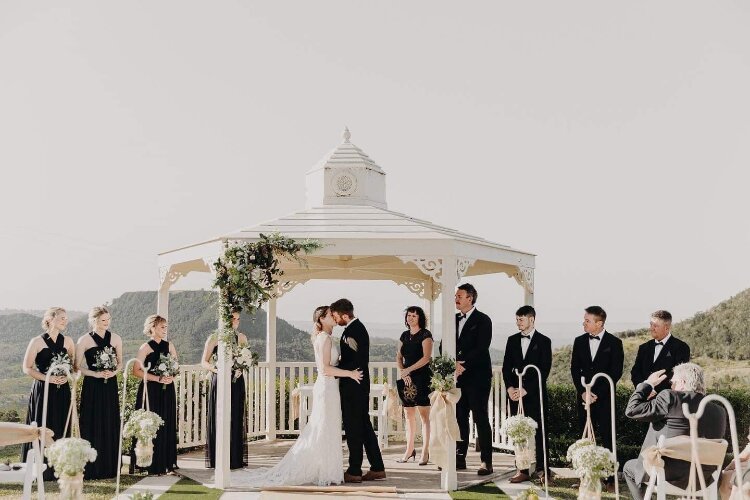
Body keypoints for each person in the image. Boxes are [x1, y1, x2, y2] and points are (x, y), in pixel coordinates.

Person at [234, 305, 363, 486]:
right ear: (321, 320)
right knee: (324, 428)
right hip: (327, 388)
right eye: (329, 315)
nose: (334, 317)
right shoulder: (325, 339)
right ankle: (326, 472)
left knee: (328, 428)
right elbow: (325, 369)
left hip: (330, 388)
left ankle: (327, 470)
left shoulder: (325, 337)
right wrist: (350, 374)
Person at [623, 364, 727, 500]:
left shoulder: (671, 397)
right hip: (704, 479)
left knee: (629, 467)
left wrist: (647, 384)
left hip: (666, 474)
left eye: (673, 383)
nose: (671, 386)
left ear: (682, 383)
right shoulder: (720, 411)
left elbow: (632, 410)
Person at [331, 298, 386, 483]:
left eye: (336, 316)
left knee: (354, 428)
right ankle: (377, 467)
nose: (335, 319)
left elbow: (357, 361)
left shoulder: (355, 331)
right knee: (364, 426)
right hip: (357, 386)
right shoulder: (353, 329)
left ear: (345, 315)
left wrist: (336, 370)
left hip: (354, 386)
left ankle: (354, 470)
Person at [570, 305, 624, 491]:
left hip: (604, 399)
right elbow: (574, 369)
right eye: (584, 320)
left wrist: (597, 394)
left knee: (607, 437)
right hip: (583, 397)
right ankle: (585, 475)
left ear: (599, 323)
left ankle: (610, 479)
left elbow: (615, 372)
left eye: (587, 320)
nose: (583, 323)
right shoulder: (578, 341)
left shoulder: (615, 343)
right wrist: (583, 392)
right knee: (584, 437)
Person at [20, 307, 75, 481]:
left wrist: (68, 377)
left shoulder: (68, 341)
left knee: (60, 424)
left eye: (66, 318)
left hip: (62, 391)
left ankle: (60, 469)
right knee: (43, 426)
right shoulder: (36, 341)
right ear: (50, 319)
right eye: (61, 318)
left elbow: (73, 366)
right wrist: (48, 379)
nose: (65, 321)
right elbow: (27, 368)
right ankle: (40, 469)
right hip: (43, 390)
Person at [502, 305, 552, 483]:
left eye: (521, 320)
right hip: (515, 395)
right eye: (517, 320)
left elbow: (544, 370)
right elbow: (506, 367)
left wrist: (526, 389)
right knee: (519, 432)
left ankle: (543, 470)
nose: (518, 323)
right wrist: (510, 389)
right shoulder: (512, 340)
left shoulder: (544, 341)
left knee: (540, 432)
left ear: (532, 319)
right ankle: (522, 469)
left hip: (535, 395)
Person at [77, 306, 123, 479]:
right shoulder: (84, 340)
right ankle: (91, 467)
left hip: (110, 385)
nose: (107, 322)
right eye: (104, 320)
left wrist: (113, 372)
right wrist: (95, 373)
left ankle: (110, 466)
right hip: (92, 386)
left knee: (110, 421)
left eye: (108, 319)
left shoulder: (116, 338)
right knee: (91, 421)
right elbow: (77, 366)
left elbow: (120, 363)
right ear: (94, 320)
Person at [453, 283, 494, 475]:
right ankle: (459, 458)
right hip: (458, 378)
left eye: (459, 295)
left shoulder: (484, 320)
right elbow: (444, 343)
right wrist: (452, 364)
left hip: (478, 377)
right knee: (459, 417)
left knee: (480, 418)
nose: (456, 298)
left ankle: (486, 461)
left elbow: (481, 347)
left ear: (470, 298)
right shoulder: (452, 319)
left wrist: (463, 364)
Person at [132, 314, 178, 475]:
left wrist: (171, 375)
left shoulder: (169, 345)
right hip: (150, 390)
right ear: (152, 328)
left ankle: (166, 462)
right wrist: (157, 378)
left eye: (166, 327)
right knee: (150, 425)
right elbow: (135, 371)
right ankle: (149, 463)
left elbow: (176, 365)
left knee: (167, 423)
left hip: (167, 390)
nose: (165, 330)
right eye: (162, 327)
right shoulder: (145, 347)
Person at [202, 310, 249, 469]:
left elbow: (245, 358)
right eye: (232, 318)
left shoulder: (242, 338)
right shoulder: (214, 338)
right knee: (220, 416)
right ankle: (218, 458)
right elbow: (204, 362)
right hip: (220, 380)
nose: (235, 322)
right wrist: (217, 370)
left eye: (238, 319)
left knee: (236, 416)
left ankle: (234, 458)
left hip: (237, 381)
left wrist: (242, 367)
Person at [395, 306, 433, 466]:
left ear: (420, 318)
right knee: (408, 416)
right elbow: (398, 356)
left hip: (422, 378)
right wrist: (404, 372)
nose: (411, 318)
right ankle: (409, 450)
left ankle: (425, 451)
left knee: (424, 417)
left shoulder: (426, 335)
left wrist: (408, 370)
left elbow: (426, 358)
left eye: (414, 316)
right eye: (409, 315)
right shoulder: (404, 335)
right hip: (407, 380)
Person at [630, 310, 690, 395]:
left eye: (655, 326)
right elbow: (635, 372)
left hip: (668, 400)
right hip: (643, 398)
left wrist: (655, 392)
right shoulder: (643, 347)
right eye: (651, 324)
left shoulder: (681, 347)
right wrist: (643, 388)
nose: (651, 328)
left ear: (667, 327)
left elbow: (677, 375)